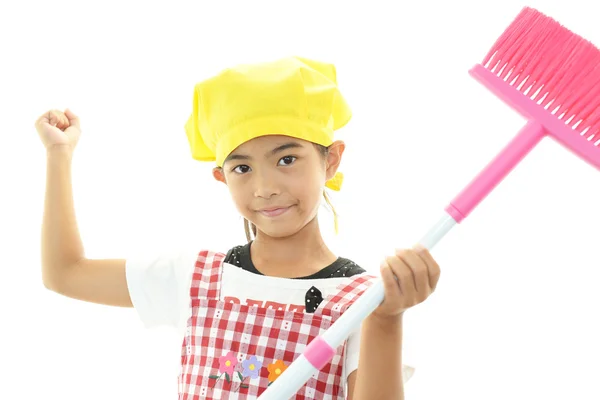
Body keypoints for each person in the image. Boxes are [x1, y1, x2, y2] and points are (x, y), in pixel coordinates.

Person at [36, 56, 441, 399]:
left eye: (287, 159)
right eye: (242, 168)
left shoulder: (365, 301)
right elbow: (66, 274)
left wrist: (387, 320)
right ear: (222, 178)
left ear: (331, 161)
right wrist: (59, 155)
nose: (265, 189)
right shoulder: (196, 277)